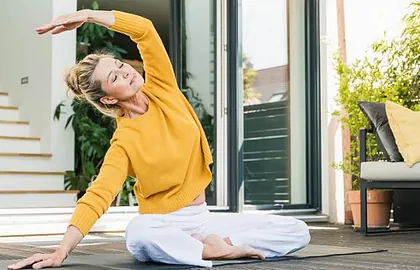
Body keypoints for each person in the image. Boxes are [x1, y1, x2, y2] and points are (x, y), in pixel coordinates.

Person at [8, 9, 310, 270]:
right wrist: (62, 250)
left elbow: (146, 32)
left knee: (297, 231)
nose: (125, 71)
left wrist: (87, 16)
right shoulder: (124, 141)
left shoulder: (163, 88)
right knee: (139, 235)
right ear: (109, 100)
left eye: (119, 65)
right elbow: (98, 195)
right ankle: (206, 249)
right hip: (165, 224)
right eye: (114, 78)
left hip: (204, 219)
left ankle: (215, 245)